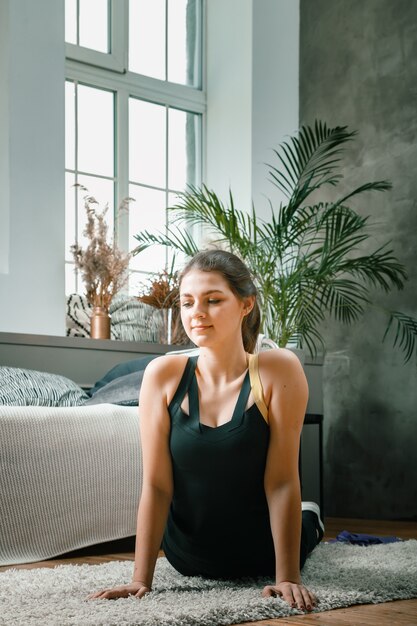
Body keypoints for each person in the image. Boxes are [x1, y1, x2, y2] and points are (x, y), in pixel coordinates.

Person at [88, 249, 324, 612]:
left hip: (259, 552)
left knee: (305, 519)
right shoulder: (162, 375)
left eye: (213, 300)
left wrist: (287, 577)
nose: (197, 313)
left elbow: (280, 481)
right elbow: (156, 483)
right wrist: (140, 579)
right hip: (188, 556)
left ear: (246, 305)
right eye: (187, 302)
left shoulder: (279, 369)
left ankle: (312, 517)